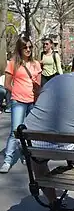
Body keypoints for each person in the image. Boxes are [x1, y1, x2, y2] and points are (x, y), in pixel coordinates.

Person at [24, 50, 74, 211]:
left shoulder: (54, 81)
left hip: (31, 141)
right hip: (61, 144)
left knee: (37, 159)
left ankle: (54, 203)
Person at [0, 37, 42, 173]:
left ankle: (26, 154)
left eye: (30, 47)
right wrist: (17, 93)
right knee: (15, 131)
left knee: (29, 132)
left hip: (32, 101)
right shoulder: (13, 63)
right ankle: (7, 160)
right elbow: (7, 84)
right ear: (20, 49)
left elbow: (39, 87)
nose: (28, 50)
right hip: (18, 101)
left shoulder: (36, 64)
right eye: (25, 47)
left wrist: (36, 88)